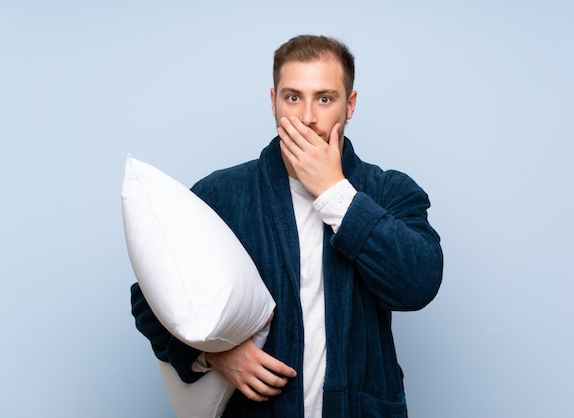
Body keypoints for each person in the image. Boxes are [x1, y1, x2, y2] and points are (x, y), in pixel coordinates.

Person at [130, 34, 443, 417]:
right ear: (273, 101)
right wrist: (211, 352)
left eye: (325, 98)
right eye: (293, 97)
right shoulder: (221, 194)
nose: (308, 116)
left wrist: (333, 190)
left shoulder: (390, 191)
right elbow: (151, 298)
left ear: (351, 105)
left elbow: (418, 283)